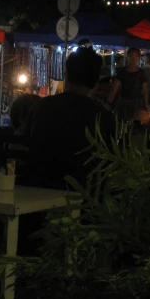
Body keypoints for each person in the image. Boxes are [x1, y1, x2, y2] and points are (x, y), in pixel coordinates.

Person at [25, 45, 115, 190]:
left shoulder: (41, 107)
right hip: (82, 195)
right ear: (96, 80)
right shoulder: (102, 117)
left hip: (38, 189)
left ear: (66, 74)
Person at [108, 47, 150, 122]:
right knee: (121, 121)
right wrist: (111, 96)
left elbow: (145, 89)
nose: (133, 58)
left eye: (136, 56)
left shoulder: (141, 72)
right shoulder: (122, 71)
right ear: (127, 57)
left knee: (135, 123)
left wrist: (146, 103)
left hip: (136, 102)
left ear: (139, 58)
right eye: (131, 56)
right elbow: (115, 86)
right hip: (124, 101)